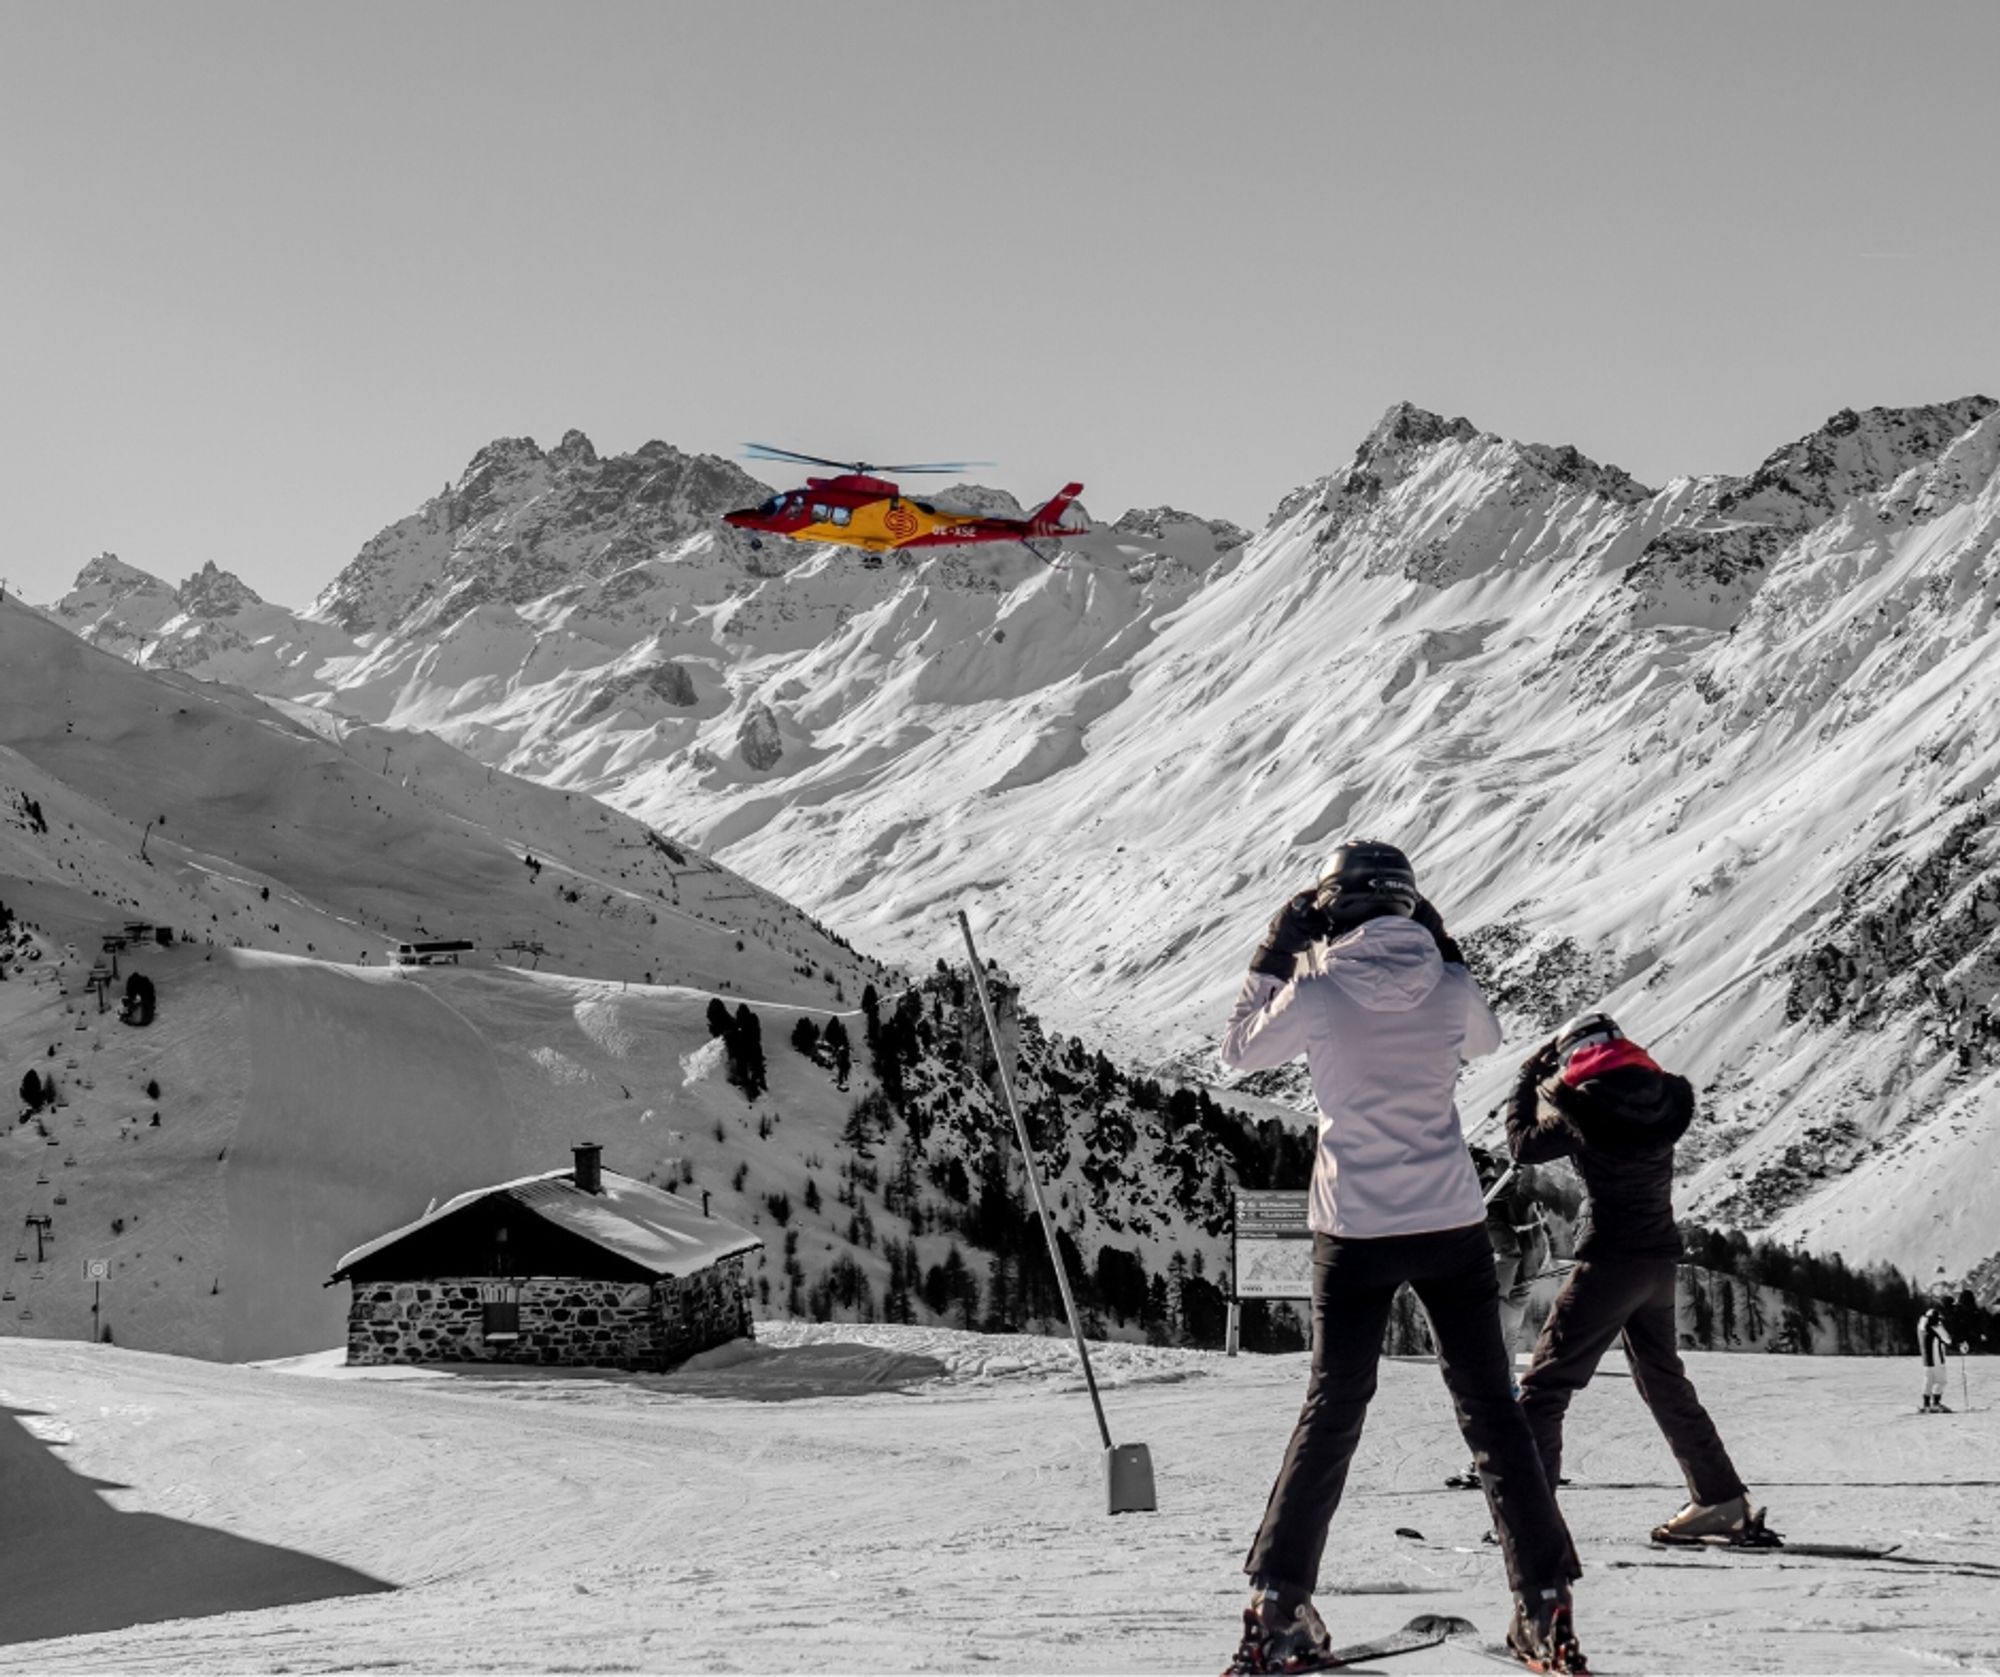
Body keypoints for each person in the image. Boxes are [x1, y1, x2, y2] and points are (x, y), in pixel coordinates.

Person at [1220, 840, 1584, 1676]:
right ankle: (1543, 1604)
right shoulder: (1449, 987)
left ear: (1333, 910)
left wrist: (1273, 952)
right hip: (1449, 1220)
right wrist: (1447, 951)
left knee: (1332, 1408)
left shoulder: (1318, 987)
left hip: (1353, 1226)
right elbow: (1487, 1038)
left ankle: (1278, 1608)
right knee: (1492, 1410)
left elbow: (1238, 1051)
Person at [1508, 1012, 1761, 1546]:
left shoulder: (1584, 1105)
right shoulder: (1662, 1097)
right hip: (1657, 1263)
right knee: (1665, 1383)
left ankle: (1530, 1522)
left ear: (1575, 1055)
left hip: (1609, 1262)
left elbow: (1522, 1145)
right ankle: (1721, 1500)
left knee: (1544, 1387)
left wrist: (1527, 1080)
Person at [1444, 1147, 1550, 1489]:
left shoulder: (1489, 1205)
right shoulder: (1514, 1193)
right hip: (1518, 1293)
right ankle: (1530, 1452)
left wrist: (1492, 1294)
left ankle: (1497, 1459)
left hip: (1501, 1302)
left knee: (1487, 1382)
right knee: (1501, 1377)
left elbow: (1509, 1255)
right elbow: (1535, 1246)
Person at [1918, 1298, 1954, 1413]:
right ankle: (1936, 1403)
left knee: (1928, 1380)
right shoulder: (1935, 1326)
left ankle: (1926, 1404)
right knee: (1941, 1380)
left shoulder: (1921, 1326)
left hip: (1926, 1359)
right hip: (1937, 1357)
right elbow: (1947, 1339)